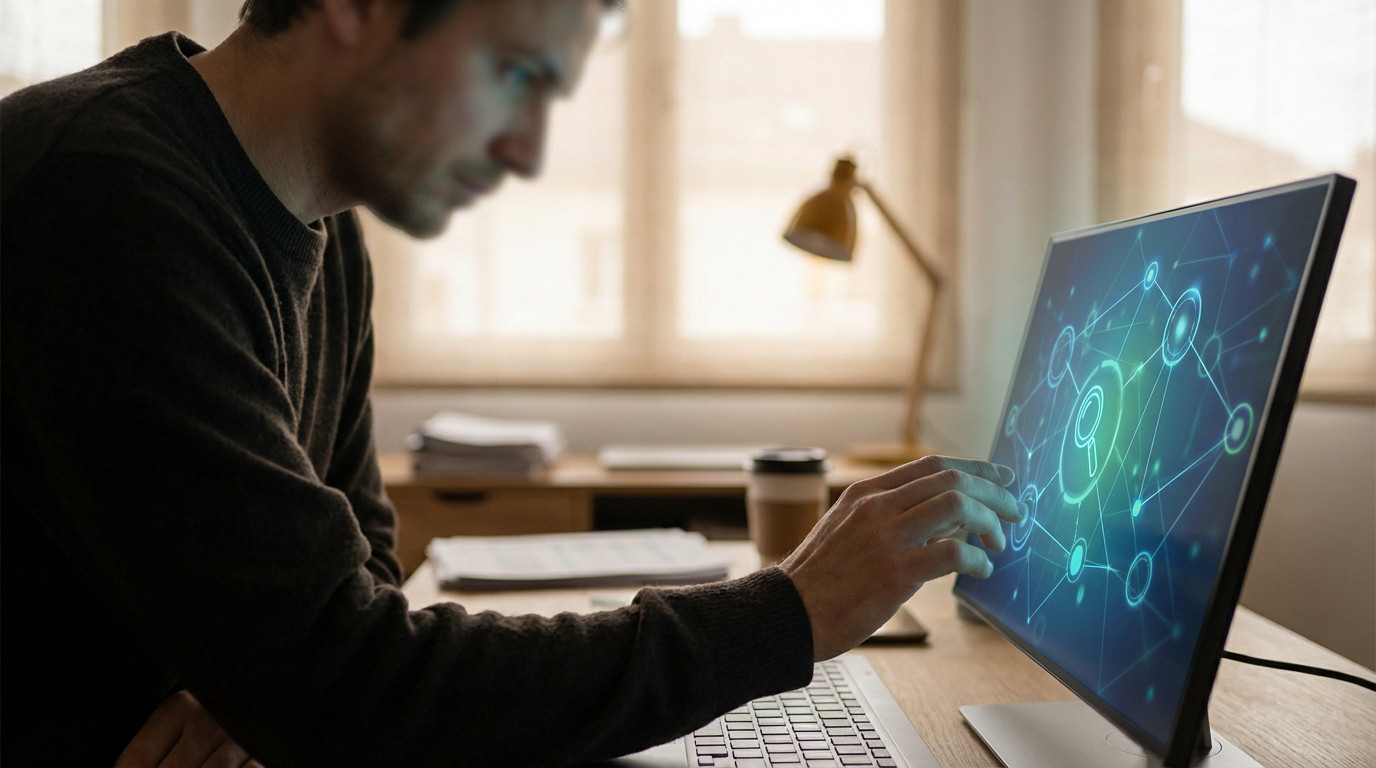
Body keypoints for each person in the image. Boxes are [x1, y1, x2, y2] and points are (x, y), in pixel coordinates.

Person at [0, 0, 1023, 765]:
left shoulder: (326, 234)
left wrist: (265, 683)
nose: (526, 152)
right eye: (514, 75)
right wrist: (787, 612)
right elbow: (351, 677)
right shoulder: (105, 194)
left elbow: (350, 611)